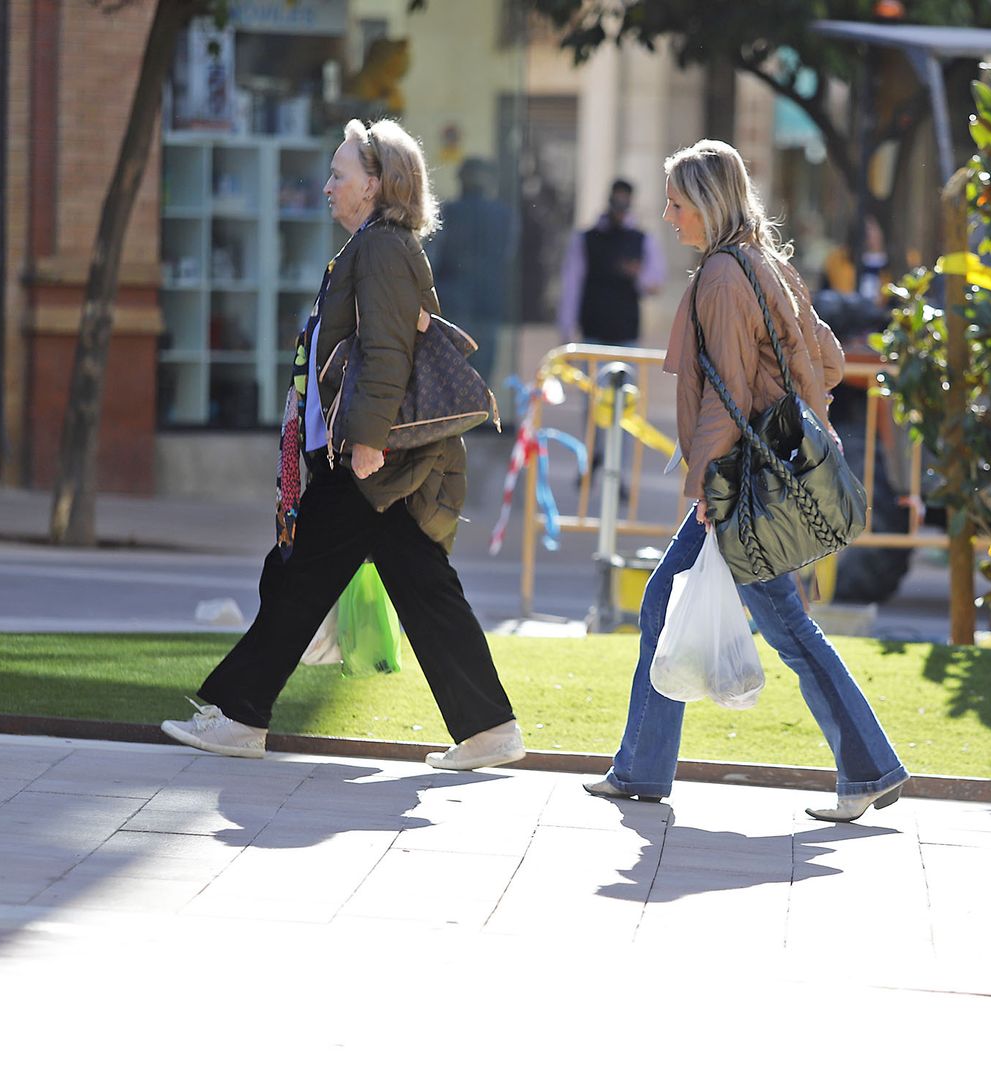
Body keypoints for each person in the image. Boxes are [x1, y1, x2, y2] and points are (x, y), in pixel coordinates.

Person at [161, 118, 525, 772]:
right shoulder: (375, 247)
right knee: (420, 583)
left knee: (298, 577)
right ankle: (489, 727)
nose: (327, 186)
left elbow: (385, 353)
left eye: (339, 175)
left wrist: (363, 445)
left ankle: (242, 714)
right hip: (370, 455)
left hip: (367, 458)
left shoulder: (383, 249)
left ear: (378, 184)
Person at [583, 140, 909, 822]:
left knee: (782, 626)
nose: (669, 218)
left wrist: (704, 481)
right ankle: (640, 768)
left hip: (741, 486)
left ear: (706, 205)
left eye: (677, 204)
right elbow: (825, 358)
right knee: (669, 600)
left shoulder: (724, 278)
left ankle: (870, 765)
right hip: (763, 474)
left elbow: (724, 390)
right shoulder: (768, 263)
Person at [425, 157, 513, 387]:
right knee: (481, 379)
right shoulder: (502, 216)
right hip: (486, 302)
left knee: (453, 377)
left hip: (455, 303)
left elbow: (430, 260)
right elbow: (508, 257)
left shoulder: (449, 212)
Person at [556, 178, 667, 346]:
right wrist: (566, 329)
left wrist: (636, 273)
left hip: (627, 331)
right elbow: (572, 283)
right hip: (593, 330)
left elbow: (655, 284)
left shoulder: (642, 239)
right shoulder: (586, 239)